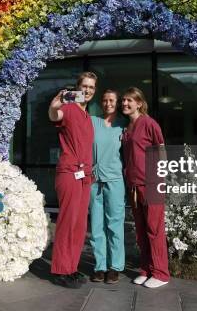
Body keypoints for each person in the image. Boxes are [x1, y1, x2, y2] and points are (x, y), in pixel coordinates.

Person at [48, 72, 97, 289]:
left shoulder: (87, 116)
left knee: (79, 226)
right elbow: (54, 116)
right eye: (84, 86)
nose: (87, 90)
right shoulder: (67, 109)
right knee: (67, 223)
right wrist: (54, 105)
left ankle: (71, 267)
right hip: (69, 173)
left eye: (92, 87)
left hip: (84, 176)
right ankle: (60, 270)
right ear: (78, 88)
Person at [121, 87, 170, 288]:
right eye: (123, 100)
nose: (124, 103)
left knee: (154, 229)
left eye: (129, 100)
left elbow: (161, 150)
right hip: (133, 185)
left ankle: (161, 273)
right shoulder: (126, 129)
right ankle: (146, 269)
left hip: (151, 183)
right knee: (141, 230)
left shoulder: (149, 124)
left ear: (139, 103)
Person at [89, 90, 127, 284]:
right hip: (94, 181)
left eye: (111, 100)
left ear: (117, 102)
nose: (108, 103)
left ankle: (115, 267)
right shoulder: (93, 121)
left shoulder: (124, 124)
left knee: (114, 224)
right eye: (104, 100)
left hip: (114, 180)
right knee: (96, 225)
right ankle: (100, 266)